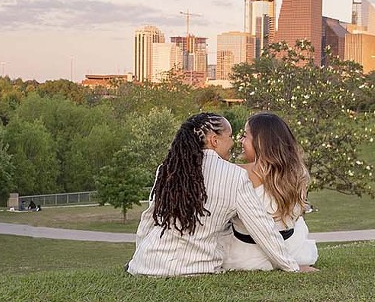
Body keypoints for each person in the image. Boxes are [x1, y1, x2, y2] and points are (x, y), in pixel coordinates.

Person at [127, 112, 302, 276]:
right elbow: (262, 227)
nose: (233, 143)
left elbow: (149, 219)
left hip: (146, 264)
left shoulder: (167, 169)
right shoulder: (235, 175)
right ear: (214, 140)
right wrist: (291, 266)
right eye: (230, 137)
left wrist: (137, 259)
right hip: (195, 268)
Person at [223, 112, 319, 272]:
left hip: (246, 255)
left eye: (245, 136)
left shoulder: (238, 172)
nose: (241, 141)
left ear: (261, 143)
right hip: (293, 250)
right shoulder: (297, 171)